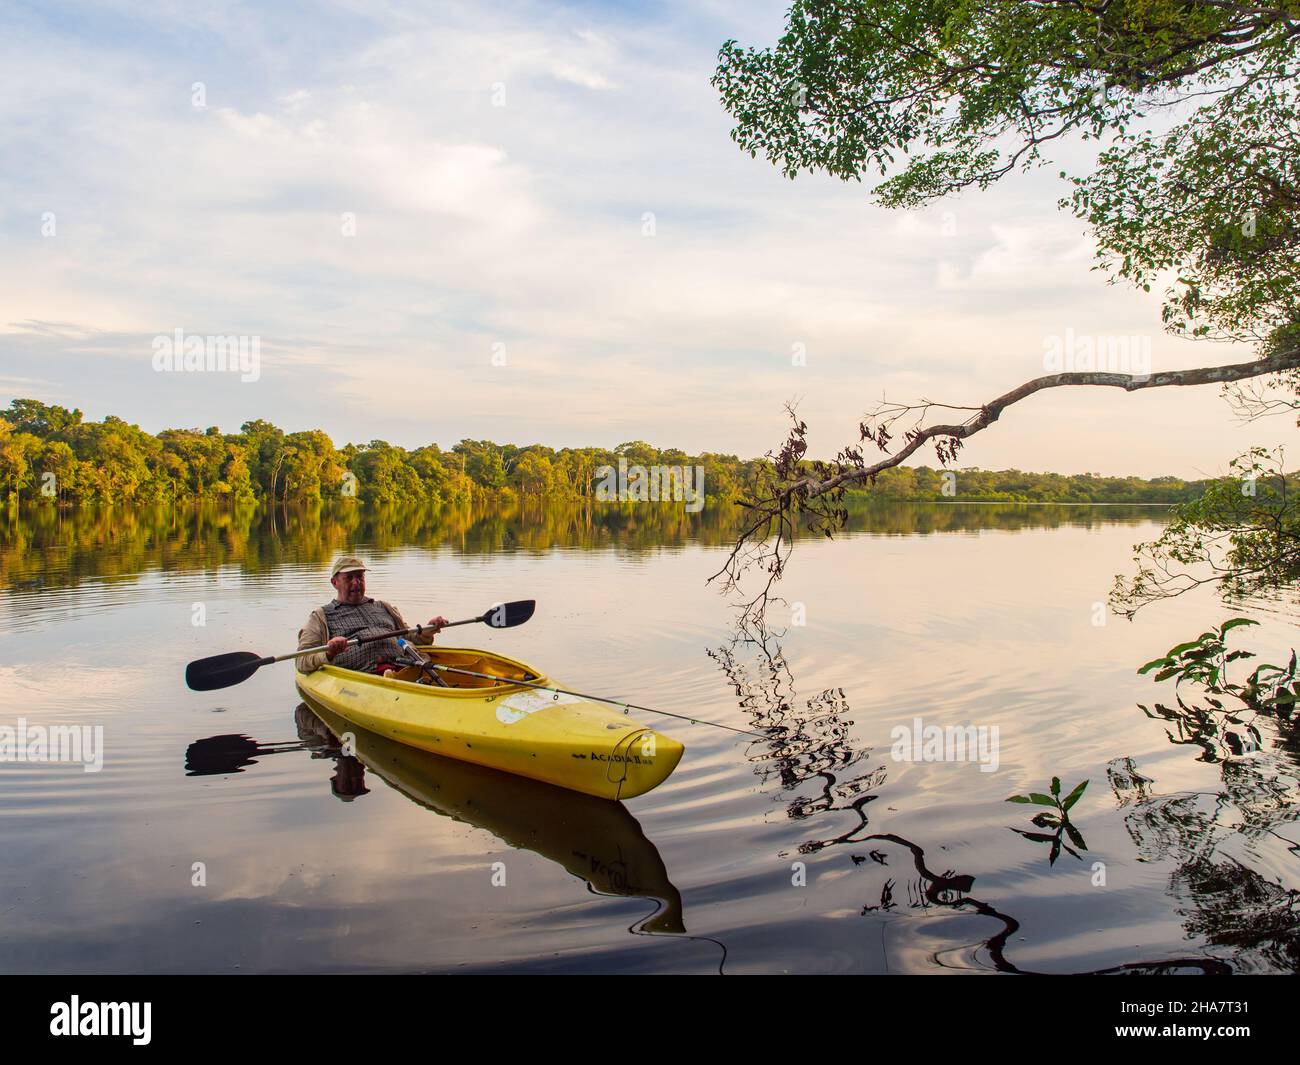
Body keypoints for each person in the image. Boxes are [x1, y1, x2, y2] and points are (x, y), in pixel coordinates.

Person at [297, 556, 448, 674]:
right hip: (362, 679)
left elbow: (413, 639)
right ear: (334, 582)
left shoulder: (384, 607)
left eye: (360, 577)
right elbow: (302, 661)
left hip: (406, 668)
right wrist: (329, 653)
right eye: (349, 578)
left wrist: (429, 629)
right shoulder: (320, 616)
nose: (356, 583)